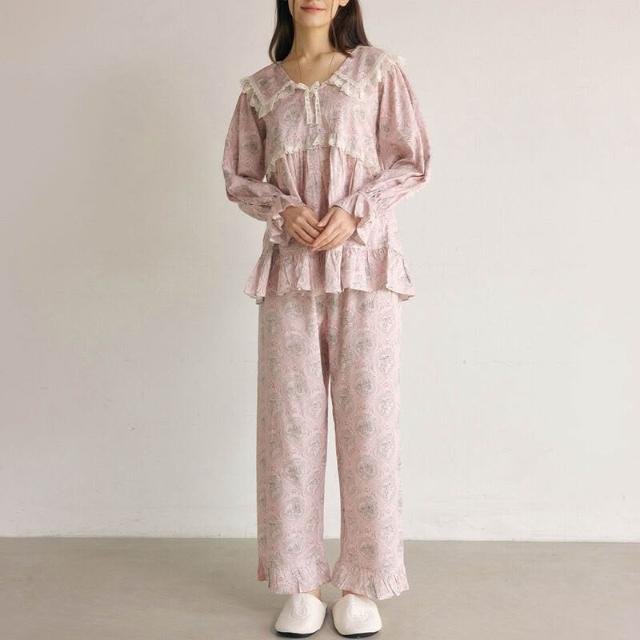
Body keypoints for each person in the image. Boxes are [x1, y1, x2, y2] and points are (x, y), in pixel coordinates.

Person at [221, 0, 431, 636]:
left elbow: (411, 159)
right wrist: (282, 209)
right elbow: (239, 176)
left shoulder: (376, 71)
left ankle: (363, 585)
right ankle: (300, 584)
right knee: (290, 431)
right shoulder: (261, 89)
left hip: (365, 270)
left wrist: (356, 210)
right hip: (290, 275)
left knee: (369, 428)